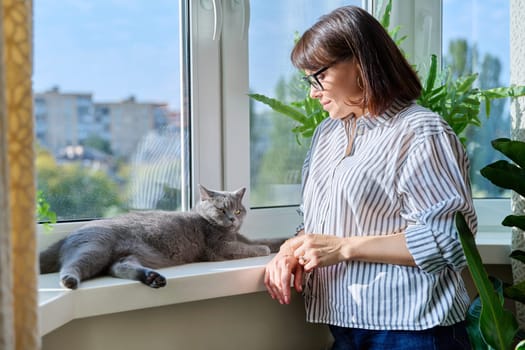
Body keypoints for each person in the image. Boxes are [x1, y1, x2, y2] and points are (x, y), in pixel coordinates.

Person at [263, 5, 477, 350]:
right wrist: (294, 247)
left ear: (360, 62)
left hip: (413, 331)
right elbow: (327, 222)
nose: (312, 92)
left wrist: (346, 248)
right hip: (346, 327)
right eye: (308, 80)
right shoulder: (327, 135)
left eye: (317, 76)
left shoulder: (420, 131)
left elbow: (448, 239)